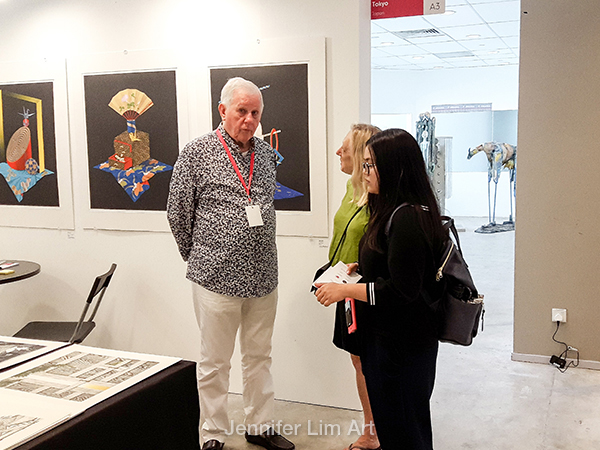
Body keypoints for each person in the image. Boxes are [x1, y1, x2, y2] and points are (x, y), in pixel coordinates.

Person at [167, 77, 294, 450]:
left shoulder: (267, 155)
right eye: (242, 111)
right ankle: (213, 434)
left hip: (263, 276)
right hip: (215, 278)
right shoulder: (196, 153)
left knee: (259, 356)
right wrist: (199, 254)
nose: (250, 119)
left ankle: (259, 426)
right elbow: (177, 212)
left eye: (256, 112)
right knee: (215, 362)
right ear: (222, 110)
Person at [314, 128, 446, 450]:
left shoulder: (406, 219)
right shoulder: (397, 211)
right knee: (399, 427)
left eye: (370, 165)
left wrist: (346, 291)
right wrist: (360, 271)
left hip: (400, 346)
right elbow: (397, 270)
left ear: (393, 169)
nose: (364, 171)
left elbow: (402, 292)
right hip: (392, 342)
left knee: (404, 431)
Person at [329, 124, 381, 450]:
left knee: (368, 363)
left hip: (365, 293)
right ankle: (372, 428)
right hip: (343, 286)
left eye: (345, 147)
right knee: (358, 362)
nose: (338, 152)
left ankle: (374, 433)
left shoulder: (377, 199)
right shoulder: (352, 188)